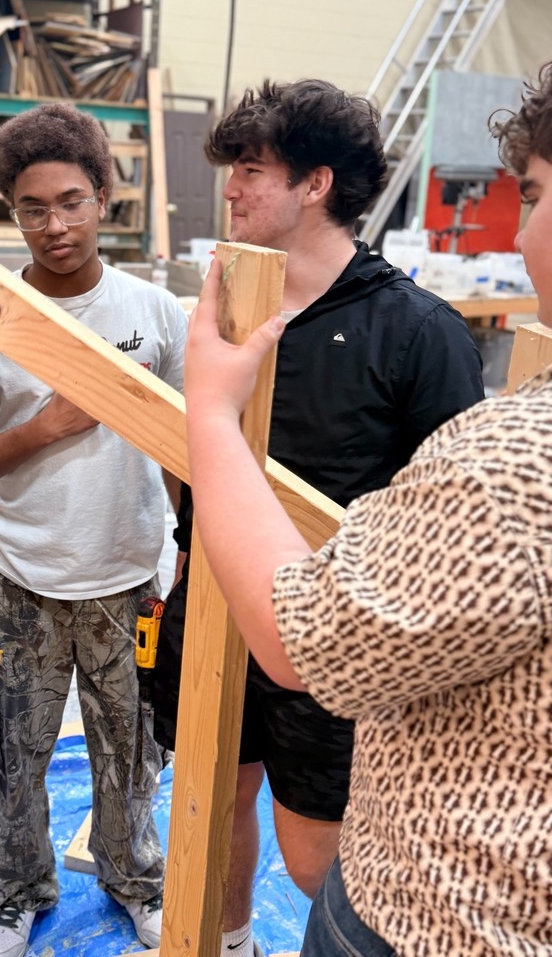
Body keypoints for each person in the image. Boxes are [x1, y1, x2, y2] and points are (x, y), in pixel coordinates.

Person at [181, 62, 552, 956]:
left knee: (316, 856)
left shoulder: (418, 331)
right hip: (219, 605)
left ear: (316, 185)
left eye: (252, 170)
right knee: (211, 795)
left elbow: (443, 534)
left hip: (350, 636)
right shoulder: (224, 311)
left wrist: (210, 417)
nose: (230, 189)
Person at [0, 102, 187, 957]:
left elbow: (184, 446)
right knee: (11, 754)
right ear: (10, 210)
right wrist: (44, 428)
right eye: (33, 208)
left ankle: (137, 882)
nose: (55, 226)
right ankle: (17, 892)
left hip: (130, 579)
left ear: (104, 199)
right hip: (20, 578)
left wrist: (189, 555)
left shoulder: (155, 312)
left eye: (71, 202)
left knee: (134, 751)